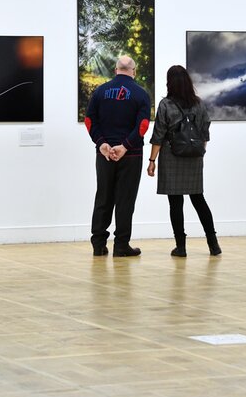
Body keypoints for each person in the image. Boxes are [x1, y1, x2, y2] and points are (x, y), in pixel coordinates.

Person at [147, 65, 221, 257]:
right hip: (195, 157)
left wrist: (152, 160)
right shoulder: (199, 103)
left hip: (172, 156)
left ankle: (181, 247)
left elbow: (159, 135)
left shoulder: (166, 104)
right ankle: (213, 244)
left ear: (169, 82)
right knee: (199, 199)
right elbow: (205, 131)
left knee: (175, 203)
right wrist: (198, 152)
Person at [85, 55, 151, 257]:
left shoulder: (100, 91)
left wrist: (102, 143)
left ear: (115, 70)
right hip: (131, 156)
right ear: (134, 71)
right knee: (125, 200)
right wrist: (124, 146)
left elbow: (89, 121)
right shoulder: (141, 94)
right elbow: (143, 126)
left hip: (104, 155)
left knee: (103, 196)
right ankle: (121, 245)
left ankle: (98, 244)